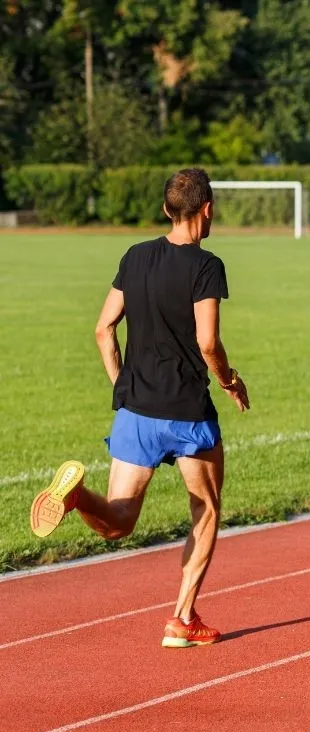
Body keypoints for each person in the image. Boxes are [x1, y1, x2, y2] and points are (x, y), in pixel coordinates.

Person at [29, 168, 250, 648]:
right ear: (206, 209)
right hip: (189, 413)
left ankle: (75, 498)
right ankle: (182, 618)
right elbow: (208, 340)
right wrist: (230, 380)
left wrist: (124, 387)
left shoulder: (134, 257)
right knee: (206, 510)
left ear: (167, 209)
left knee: (118, 522)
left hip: (136, 411)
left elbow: (103, 329)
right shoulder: (206, 266)